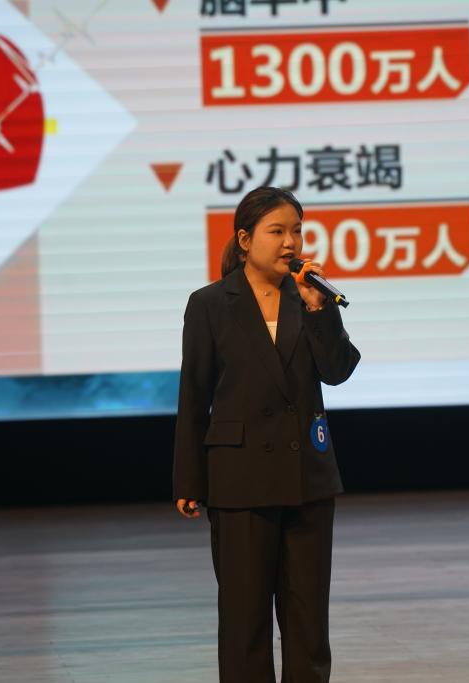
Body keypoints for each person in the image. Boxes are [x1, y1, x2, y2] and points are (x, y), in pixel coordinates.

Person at [173, 186, 361, 683]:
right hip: (239, 478)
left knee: (307, 620)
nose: (290, 242)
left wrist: (321, 311)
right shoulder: (211, 303)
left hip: (307, 478)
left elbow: (338, 370)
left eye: (297, 230)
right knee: (244, 619)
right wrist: (189, 479)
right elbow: (193, 395)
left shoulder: (310, 297)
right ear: (244, 239)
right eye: (277, 231)